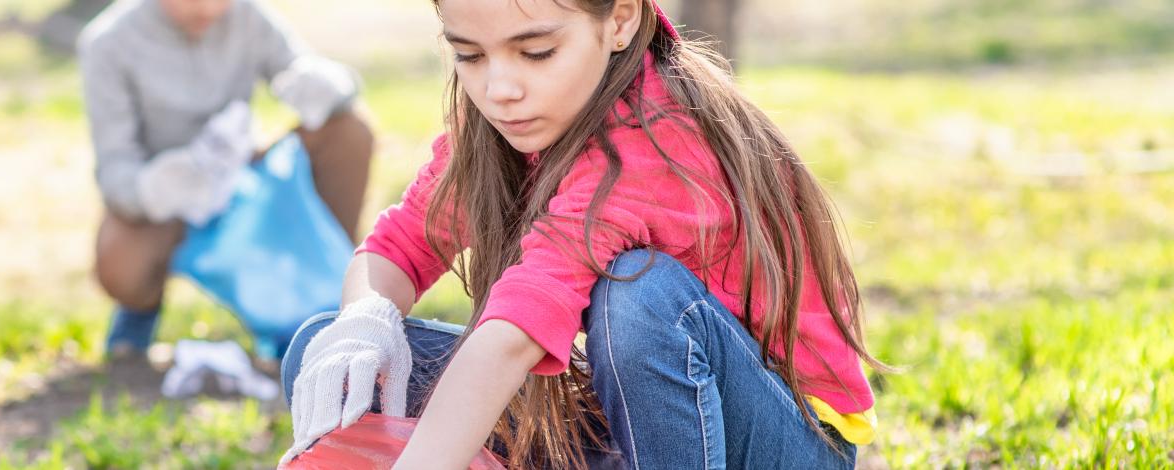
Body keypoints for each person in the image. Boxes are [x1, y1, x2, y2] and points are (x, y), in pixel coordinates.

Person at [281, 0, 883, 468]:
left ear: (620, 19)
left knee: (641, 300)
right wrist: (365, 320)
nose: (500, 88)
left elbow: (514, 333)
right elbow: (396, 248)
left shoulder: (656, 141)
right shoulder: (507, 126)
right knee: (328, 356)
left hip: (786, 439)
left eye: (536, 52)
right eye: (470, 55)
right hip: (641, 424)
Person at [78, 0, 376, 361]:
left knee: (348, 131)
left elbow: (299, 64)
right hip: (168, 197)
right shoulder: (108, 42)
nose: (207, 10)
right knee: (122, 266)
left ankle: (327, 287)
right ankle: (139, 312)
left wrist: (325, 86)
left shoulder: (246, 15)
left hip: (241, 176)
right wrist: (152, 189)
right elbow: (115, 168)